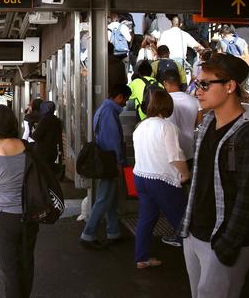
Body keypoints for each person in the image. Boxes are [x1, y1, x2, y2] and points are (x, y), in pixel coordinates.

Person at [180, 54, 249, 298]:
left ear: (230, 86)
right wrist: (187, 228)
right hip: (195, 234)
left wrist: (227, 245)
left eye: (204, 84)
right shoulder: (206, 125)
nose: (197, 91)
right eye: (196, 84)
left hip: (223, 241)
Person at [0, 105, 39, 298]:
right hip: (31, 214)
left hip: (6, 219)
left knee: (10, 269)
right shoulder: (29, 149)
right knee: (26, 261)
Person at [132, 88, 190, 268]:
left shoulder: (140, 126)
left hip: (140, 177)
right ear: (167, 106)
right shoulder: (167, 126)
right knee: (182, 219)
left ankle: (141, 258)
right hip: (162, 179)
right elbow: (175, 156)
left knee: (146, 219)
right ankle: (195, 257)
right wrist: (186, 174)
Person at [80, 84, 132, 249]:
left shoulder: (103, 108)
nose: (125, 103)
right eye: (125, 99)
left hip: (104, 159)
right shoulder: (110, 112)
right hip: (109, 161)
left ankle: (113, 232)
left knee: (110, 198)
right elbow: (113, 140)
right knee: (103, 199)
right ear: (119, 97)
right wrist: (119, 161)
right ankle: (88, 234)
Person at [162, 70, 201, 164]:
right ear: (179, 81)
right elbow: (199, 123)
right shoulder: (195, 101)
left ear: (165, 83)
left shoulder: (163, 102)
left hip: (169, 152)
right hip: (190, 150)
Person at [31, 101, 63, 172]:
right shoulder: (57, 121)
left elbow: (36, 136)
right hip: (53, 151)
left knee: (42, 173)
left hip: (42, 152)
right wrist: (61, 151)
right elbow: (59, 138)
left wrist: (33, 131)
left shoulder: (44, 120)